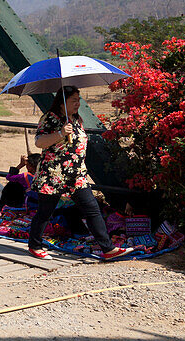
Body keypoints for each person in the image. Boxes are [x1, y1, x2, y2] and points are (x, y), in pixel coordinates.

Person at [27, 86, 133, 261]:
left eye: (79, 99)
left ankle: (108, 248)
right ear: (62, 103)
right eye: (73, 100)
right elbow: (40, 142)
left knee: (92, 209)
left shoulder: (77, 119)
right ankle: (35, 246)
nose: (77, 103)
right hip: (54, 174)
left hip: (76, 175)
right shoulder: (50, 119)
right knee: (45, 211)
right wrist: (60, 133)